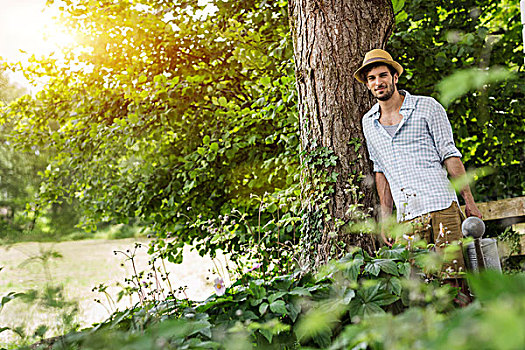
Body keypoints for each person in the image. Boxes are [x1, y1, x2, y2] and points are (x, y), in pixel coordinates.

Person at [354, 49, 482, 293]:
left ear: (395, 77)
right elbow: (380, 170)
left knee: (453, 282)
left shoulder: (427, 107)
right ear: (368, 84)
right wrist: (386, 216)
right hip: (407, 215)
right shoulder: (368, 122)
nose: (378, 82)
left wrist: (469, 200)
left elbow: (450, 155)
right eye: (372, 78)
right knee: (419, 286)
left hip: (441, 205)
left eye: (383, 75)